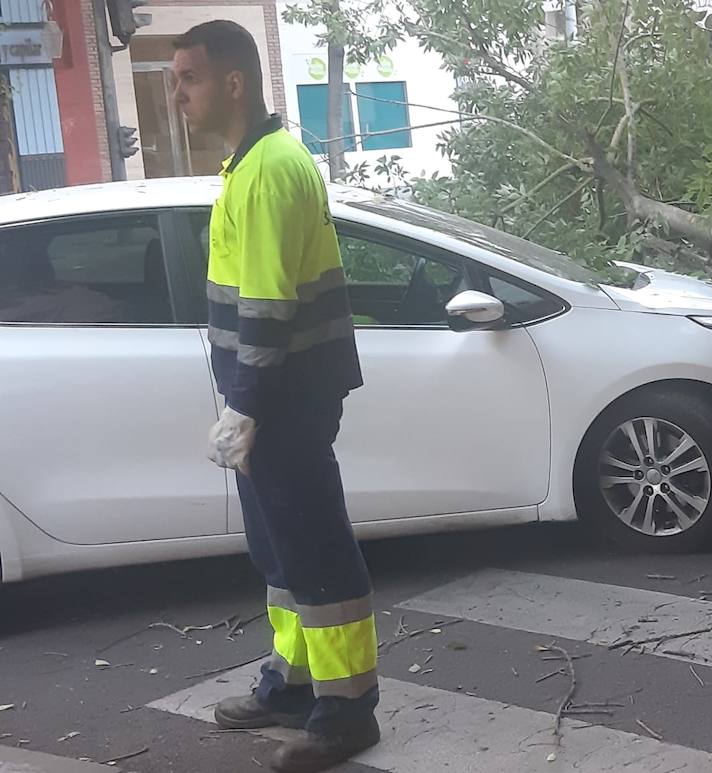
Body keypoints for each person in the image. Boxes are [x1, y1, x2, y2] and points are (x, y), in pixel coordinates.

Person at [171, 20, 377, 772]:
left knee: (316, 551)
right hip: (278, 396)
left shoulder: (265, 171)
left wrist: (245, 405)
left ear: (233, 82)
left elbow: (265, 307)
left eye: (188, 77)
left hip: (283, 399)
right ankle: (291, 683)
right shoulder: (254, 162)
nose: (178, 95)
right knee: (281, 552)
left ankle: (348, 709)